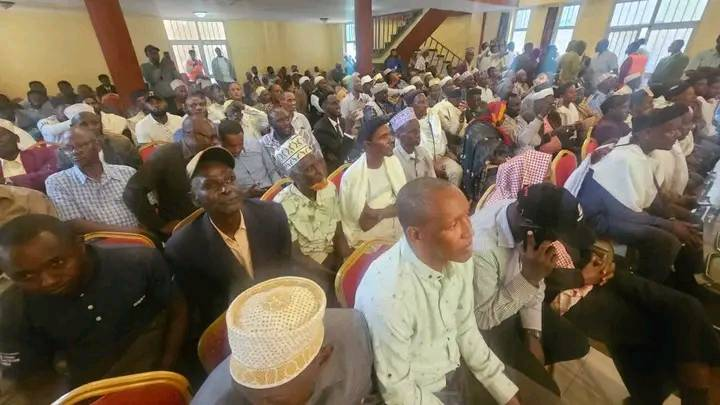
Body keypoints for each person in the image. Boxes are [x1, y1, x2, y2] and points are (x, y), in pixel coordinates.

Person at [485, 150, 720, 405]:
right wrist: (581, 277)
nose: (550, 182)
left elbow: (581, 239)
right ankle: (682, 395)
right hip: (568, 294)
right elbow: (535, 281)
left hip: (590, 274)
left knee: (684, 307)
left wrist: (599, 261)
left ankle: (686, 387)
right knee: (655, 331)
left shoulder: (552, 207)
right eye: (542, 178)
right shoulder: (516, 229)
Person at [356, 178, 536, 405]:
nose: (469, 231)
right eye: (452, 225)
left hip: (457, 366)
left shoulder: (458, 257)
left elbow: (466, 328)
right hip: (423, 390)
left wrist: (502, 390)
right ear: (416, 235)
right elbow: (399, 390)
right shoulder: (388, 296)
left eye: (466, 216)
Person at [0, 214, 187, 402]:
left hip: (159, 362)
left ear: (80, 245)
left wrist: (166, 369)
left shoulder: (138, 261)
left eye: (57, 263)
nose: (48, 281)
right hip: (87, 385)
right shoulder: (11, 311)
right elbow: (32, 378)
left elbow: (177, 310)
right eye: (26, 276)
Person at [472, 182, 591, 395]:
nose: (558, 243)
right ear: (531, 228)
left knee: (577, 344)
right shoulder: (481, 250)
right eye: (557, 237)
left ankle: (526, 375)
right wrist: (529, 278)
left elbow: (537, 282)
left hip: (515, 298)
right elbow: (483, 319)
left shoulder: (521, 215)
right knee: (548, 393)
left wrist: (533, 333)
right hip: (488, 323)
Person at [165, 146, 297, 333]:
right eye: (210, 185)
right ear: (195, 199)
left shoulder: (272, 215)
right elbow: (204, 307)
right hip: (235, 328)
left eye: (230, 179)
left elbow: (286, 271)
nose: (226, 189)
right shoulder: (183, 248)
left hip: (282, 309)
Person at [567, 105, 701, 287]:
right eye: (670, 131)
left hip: (615, 211)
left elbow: (652, 198)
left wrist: (672, 218)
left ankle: (685, 279)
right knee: (664, 241)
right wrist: (670, 225)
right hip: (596, 218)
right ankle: (647, 287)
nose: (677, 135)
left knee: (688, 222)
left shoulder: (642, 151)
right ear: (647, 133)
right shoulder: (626, 159)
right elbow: (623, 214)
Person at [191, 277, 374, 405]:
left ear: (322, 357)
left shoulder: (353, 334)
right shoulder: (216, 400)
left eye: (275, 402)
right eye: (252, 396)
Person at [124, 117, 218, 237]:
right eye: (211, 137)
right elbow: (132, 192)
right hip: (185, 229)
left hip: (212, 221)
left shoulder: (212, 153)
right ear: (190, 134)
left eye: (216, 137)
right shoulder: (165, 155)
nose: (215, 142)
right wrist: (160, 225)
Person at [273, 137, 351, 270]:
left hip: (334, 254)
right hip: (311, 267)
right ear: (293, 176)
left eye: (318, 163)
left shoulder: (329, 188)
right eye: (309, 169)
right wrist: (332, 276)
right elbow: (296, 256)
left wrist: (347, 262)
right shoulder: (281, 206)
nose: (320, 171)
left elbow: (338, 231)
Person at [45, 127, 140, 234]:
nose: (75, 152)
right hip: (99, 241)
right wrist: (133, 233)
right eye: (68, 148)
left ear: (98, 145)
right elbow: (74, 224)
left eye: (82, 145)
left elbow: (145, 208)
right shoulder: (57, 182)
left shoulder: (127, 172)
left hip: (143, 237)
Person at [339, 118, 406, 248]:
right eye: (383, 137)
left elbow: (404, 203)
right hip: (371, 242)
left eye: (390, 134)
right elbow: (365, 224)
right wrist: (394, 209)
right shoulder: (353, 176)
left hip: (399, 232)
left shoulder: (393, 162)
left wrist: (380, 213)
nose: (391, 139)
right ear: (367, 145)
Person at [408, 91, 462, 186]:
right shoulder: (408, 123)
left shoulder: (432, 114)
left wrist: (448, 151)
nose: (426, 105)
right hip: (421, 162)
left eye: (426, 101)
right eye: (421, 102)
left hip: (440, 157)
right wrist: (431, 165)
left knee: (456, 171)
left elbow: (441, 134)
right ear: (411, 106)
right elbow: (415, 151)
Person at [218, 119, 279, 198]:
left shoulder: (255, 144)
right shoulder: (218, 163)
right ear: (221, 142)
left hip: (273, 192)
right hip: (247, 201)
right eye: (232, 146)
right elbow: (225, 195)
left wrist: (278, 189)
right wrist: (247, 194)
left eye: (241, 144)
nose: (237, 149)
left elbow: (272, 170)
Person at [60, 111, 141, 170]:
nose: (91, 127)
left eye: (95, 123)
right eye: (83, 124)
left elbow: (137, 170)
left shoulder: (120, 143)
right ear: (72, 127)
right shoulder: (65, 153)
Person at [261, 107, 322, 176]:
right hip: (287, 181)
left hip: (313, 176)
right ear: (271, 123)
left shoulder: (303, 133)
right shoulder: (265, 143)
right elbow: (272, 171)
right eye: (280, 121)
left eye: (287, 118)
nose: (286, 123)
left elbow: (319, 157)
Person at [0, 122, 57, 191]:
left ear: (17, 138)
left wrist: (10, 181)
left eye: (1, 135)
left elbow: (49, 175)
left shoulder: (43, 153)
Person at [313, 93, 355, 173]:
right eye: (333, 103)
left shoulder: (343, 121)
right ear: (324, 107)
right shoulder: (320, 129)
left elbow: (353, 145)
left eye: (338, 102)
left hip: (351, 163)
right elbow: (340, 152)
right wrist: (348, 131)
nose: (338, 106)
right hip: (337, 170)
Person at [391, 107, 436, 182]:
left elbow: (432, 180)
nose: (418, 134)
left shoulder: (423, 152)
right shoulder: (393, 160)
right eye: (412, 131)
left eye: (418, 129)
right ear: (398, 135)